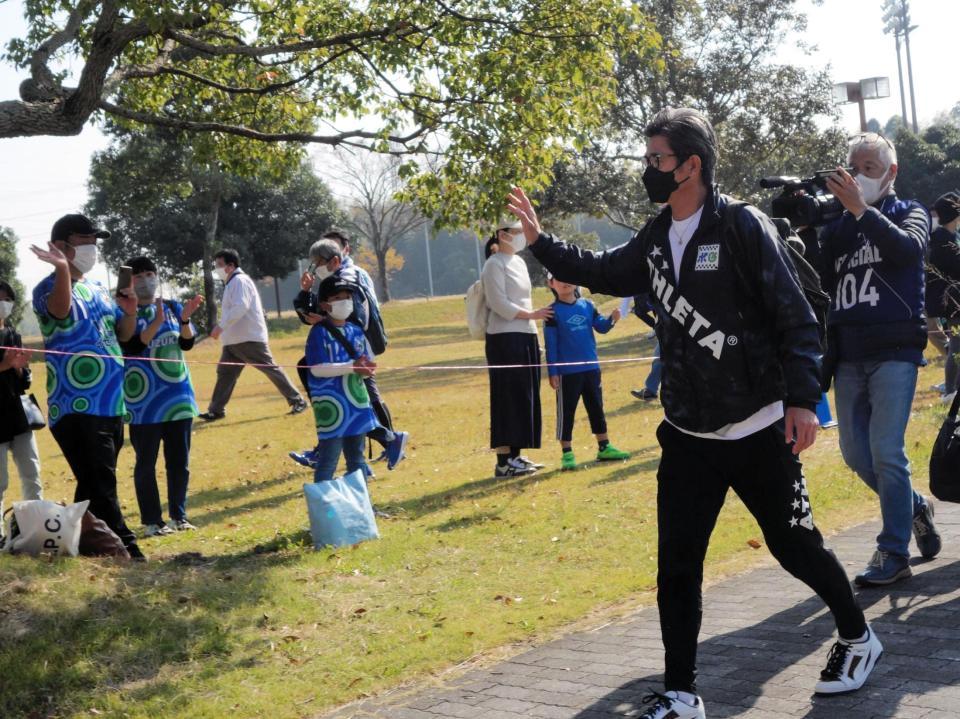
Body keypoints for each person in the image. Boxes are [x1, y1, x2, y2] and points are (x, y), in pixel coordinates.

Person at [508, 108, 880, 718]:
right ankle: (682, 693)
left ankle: (859, 637)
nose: (648, 169)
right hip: (686, 433)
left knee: (795, 546)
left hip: (758, 425)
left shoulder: (740, 226)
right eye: (648, 158)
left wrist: (801, 401)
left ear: (692, 165)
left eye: (656, 159)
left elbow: (795, 318)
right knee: (677, 566)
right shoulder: (658, 234)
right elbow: (603, 271)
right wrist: (540, 241)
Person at [820, 132, 942, 586]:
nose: (858, 176)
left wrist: (860, 209)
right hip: (848, 352)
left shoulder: (911, 211)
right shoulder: (839, 223)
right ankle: (914, 507)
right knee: (856, 455)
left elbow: (907, 250)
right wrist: (815, 222)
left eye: (868, 168)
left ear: (891, 172)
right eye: (853, 167)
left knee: (887, 451)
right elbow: (818, 275)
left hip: (895, 350)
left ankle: (893, 552)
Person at [29, 214, 145, 560]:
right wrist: (62, 269)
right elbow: (60, 311)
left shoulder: (97, 289)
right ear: (60, 246)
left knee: (94, 483)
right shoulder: (47, 288)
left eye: (95, 242)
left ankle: (72, 545)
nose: (92, 249)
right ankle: (126, 549)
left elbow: (123, 336)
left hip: (111, 403)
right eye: (85, 241)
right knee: (101, 483)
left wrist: (129, 311)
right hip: (76, 406)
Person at [289, 238, 407, 471]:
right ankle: (370, 449)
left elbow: (350, 316)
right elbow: (311, 314)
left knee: (356, 401)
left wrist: (325, 320)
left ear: (334, 260)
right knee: (350, 399)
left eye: (318, 263)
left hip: (353, 348)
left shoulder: (346, 279)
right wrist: (305, 293)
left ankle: (388, 441)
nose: (315, 269)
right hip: (347, 348)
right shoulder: (337, 279)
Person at [122, 256, 204, 536]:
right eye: (138, 276)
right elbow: (131, 348)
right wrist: (156, 322)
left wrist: (184, 319)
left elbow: (187, 343)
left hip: (178, 399)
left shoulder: (172, 307)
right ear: (129, 281)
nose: (146, 280)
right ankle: (152, 521)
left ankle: (179, 516)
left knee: (179, 462)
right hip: (143, 402)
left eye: (150, 274)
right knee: (146, 462)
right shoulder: (125, 313)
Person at [200, 248, 307, 421]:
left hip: (248, 338)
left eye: (219, 265)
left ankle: (297, 400)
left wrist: (220, 326)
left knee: (270, 368)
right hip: (234, 341)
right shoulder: (232, 282)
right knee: (225, 373)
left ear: (231, 265)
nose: (217, 269)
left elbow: (240, 306)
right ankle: (216, 410)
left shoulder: (239, 281)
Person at [482, 219, 552, 478]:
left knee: (525, 395)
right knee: (507, 397)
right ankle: (504, 461)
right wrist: (531, 314)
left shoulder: (519, 262)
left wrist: (532, 323)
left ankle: (517, 454)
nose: (522, 236)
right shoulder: (493, 264)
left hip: (526, 335)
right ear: (502, 234)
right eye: (517, 232)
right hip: (504, 337)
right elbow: (498, 303)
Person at [544, 274, 630, 470]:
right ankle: (567, 453)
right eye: (558, 278)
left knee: (596, 408)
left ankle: (604, 447)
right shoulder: (552, 312)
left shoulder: (588, 305)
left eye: (568, 276)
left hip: (591, 369)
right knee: (566, 412)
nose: (565, 282)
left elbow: (601, 327)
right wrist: (553, 371)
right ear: (551, 284)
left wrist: (612, 319)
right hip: (567, 373)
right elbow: (551, 344)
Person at [303, 275, 378, 483]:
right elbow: (317, 369)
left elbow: (366, 361)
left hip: (357, 404)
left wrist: (367, 369)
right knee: (328, 460)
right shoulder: (318, 333)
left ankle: (362, 501)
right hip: (332, 409)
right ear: (324, 304)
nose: (344, 301)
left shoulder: (356, 331)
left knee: (357, 459)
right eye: (337, 298)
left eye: (347, 297)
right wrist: (351, 367)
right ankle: (323, 503)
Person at [0, 280, 42, 532]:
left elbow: (25, 380)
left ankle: (34, 527)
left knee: (31, 472)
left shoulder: (13, 334)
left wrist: (18, 368)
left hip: (18, 415)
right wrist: (5, 365)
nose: (2, 304)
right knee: (0, 480)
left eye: (6, 300)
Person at [926, 191, 960, 403]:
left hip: (951, 301)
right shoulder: (944, 242)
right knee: (956, 346)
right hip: (954, 303)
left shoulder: (945, 238)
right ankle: (950, 391)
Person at [626, 293, 662, 402]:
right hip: (667, 328)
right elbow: (640, 310)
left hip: (678, 328)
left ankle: (651, 391)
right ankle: (651, 391)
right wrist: (656, 326)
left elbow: (640, 311)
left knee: (660, 358)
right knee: (659, 358)